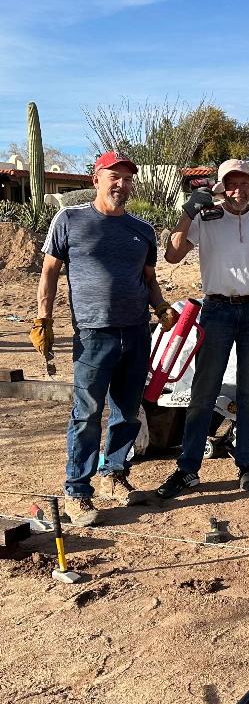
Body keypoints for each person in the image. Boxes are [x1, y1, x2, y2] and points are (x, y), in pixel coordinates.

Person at [33, 151, 175, 526]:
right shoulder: (70, 220)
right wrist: (43, 317)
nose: (121, 184)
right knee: (87, 414)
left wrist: (161, 307)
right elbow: (49, 271)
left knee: (127, 412)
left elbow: (149, 280)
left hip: (137, 331)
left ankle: (114, 474)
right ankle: (77, 491)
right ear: (96, 179)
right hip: (93, 334)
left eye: (127, 179)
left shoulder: (142, 230)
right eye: (114, 177)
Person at [156, 159, 249, 499]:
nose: (239, 190)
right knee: (204, 390)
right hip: (216, 309)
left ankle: (246, 464)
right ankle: (188, 469)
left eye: (244, 183)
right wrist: (188, 213)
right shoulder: (206, 219)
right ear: (222, 187)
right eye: (232, 184)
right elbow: (172, 255)